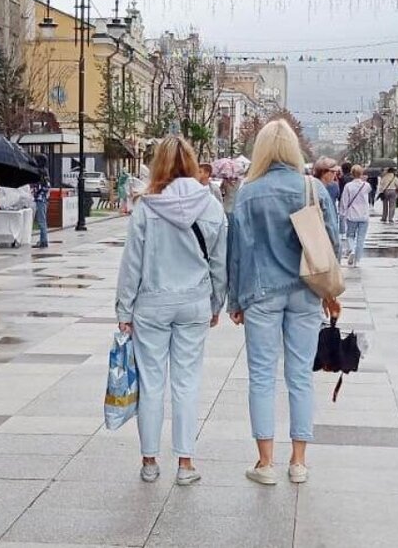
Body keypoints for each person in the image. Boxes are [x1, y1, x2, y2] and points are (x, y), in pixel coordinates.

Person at [227, 119, 340, 486]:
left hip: (261, 292)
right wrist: (330, 295)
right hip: (306, 291)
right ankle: (299, 461)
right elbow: (332, 244)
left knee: (261, 377)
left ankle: (265, 462)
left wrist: (235, 299)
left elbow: (237, 251)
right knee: (299, 377)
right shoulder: (312, 187)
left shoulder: (248, 191)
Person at [116, 136, 227, 486]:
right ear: (193, 163)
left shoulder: (147, 207)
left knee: (151, 383)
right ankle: (185, 462)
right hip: (194, 300)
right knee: (187, 382)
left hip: (152, 302)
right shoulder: (210, 205)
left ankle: (149, 460)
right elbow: (219, 262)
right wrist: (216, 302)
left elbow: (131, 262)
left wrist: (124, 308)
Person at [340, 164, 372, 267]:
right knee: (361, 237)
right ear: (361, 173)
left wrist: (342, 213)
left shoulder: (348, 186)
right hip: (364, 215)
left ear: (352, 174)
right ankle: (357, 260)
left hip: (352, 215)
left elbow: (344, 201)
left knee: (350, 235)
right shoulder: (366, 185)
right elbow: (369, 192)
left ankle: (351, 250)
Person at [31, 167, 51, 249]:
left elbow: (38, 190)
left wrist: (35, 193)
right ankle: (43, 240)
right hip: (44, 200)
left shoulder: (41, 182)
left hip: (40, 200)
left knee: (41, 221)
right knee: (43, 220)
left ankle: (44, 241)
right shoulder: (47, 180)